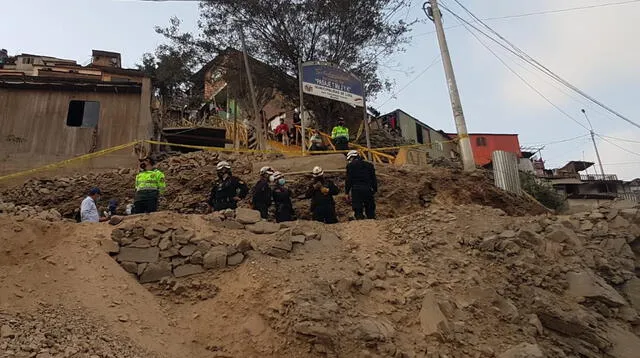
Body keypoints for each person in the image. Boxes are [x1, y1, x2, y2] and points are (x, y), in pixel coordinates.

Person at [345, 150, 377, 220]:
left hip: (356, 190)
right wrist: (374, 189)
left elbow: (348, 180)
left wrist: (346, 192)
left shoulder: (350, 166)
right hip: (368, 189)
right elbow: (374, 179)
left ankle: (360, 223)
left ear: (352, 157)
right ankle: (372, 222)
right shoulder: (369, 165)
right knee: (370, 208)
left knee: (358, 208)